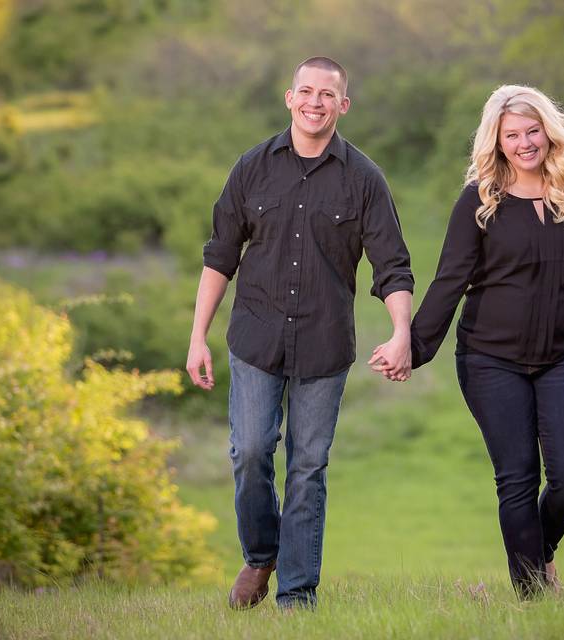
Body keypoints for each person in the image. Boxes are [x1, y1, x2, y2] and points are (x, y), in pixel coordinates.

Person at [404, 84, 564, 598]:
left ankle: (539, 551)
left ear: (549, 131)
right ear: (497, 143)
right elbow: (449, 280)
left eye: (532, 130)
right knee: (516, 477)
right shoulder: (480, 200)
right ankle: (533, 598)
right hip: (489, 359)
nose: (524, 143)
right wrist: (412, 348)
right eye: (512, 135)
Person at [186, 56, 414, 610]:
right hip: (256, 336)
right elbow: (220, 255)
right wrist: (198, 337)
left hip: (324, 342)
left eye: (327, 94)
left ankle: (297, 594)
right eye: (306, 92)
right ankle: (261, 555)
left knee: (308, 468)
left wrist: (401, 331)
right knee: (251, 451)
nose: (315, 102)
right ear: (289, 98)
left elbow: (393, 266)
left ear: (344, 104)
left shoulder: (364, 179)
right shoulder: (252, 167)